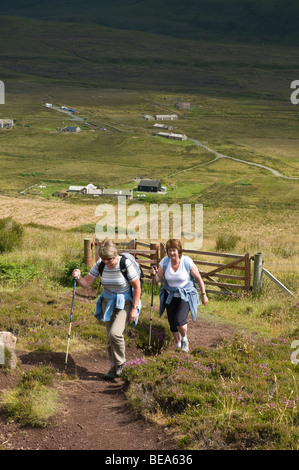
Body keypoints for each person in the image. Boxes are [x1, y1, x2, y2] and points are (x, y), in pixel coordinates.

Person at [72, 239, 141, 380]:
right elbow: (86, 283)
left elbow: (137, 287)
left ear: (116, 256)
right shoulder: (100, 264)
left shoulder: (124, 264)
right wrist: (78, 277)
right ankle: (113, 368)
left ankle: (122, 363)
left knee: (115, 333)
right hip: (107, 302)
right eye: (103, 259)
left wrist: (134, 308)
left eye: (109, 259)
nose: (107, 262)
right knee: (109, 337)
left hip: (126, 302)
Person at [151, 239, 208, 353]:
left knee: (179, 320)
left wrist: (203, 294)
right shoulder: (165, 262)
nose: (172, 253)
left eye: (174, 250)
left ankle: (184, 340)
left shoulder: (186, 261)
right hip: (170, 295)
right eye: (169, 250)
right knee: (172, 324)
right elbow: (158, 280)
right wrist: (154, 275)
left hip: (185, 295)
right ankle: (178, 346)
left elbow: (198, 278)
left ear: (179, 251)